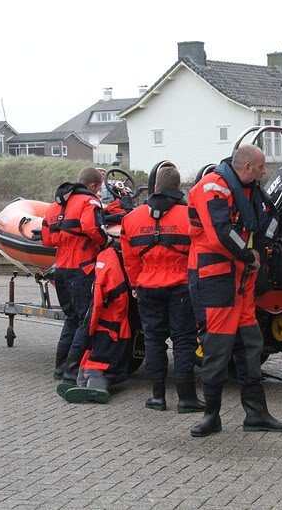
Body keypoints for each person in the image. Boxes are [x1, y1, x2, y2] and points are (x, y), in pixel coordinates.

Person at [186, 144, 282, 437]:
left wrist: (257, 254)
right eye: (261, 167)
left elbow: (268, 221)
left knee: (250, 347)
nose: (264, 171)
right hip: (214, 277)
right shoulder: (212, 187)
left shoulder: (250, 190)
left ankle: (256, 415)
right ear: (246, 168)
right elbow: (221, 233)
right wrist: (249, 256)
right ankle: (211, 416)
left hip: (241, 278)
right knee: (217, 349)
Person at [120, 165, 203, 414]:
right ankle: (186, 399)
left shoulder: (131, 218)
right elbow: (200, 251)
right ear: (178, 187)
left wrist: (135, 284)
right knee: (184, 340)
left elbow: (130, 259)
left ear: (155, 187)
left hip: (147, 286)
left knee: (153, 340)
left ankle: (158, 397)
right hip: (181, 287)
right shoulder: (190, 215)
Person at [41, 167, 108, 388]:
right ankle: (72, 371)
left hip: (61, 269)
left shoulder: (54, 206)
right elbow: (92, 227)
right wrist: (103, 241)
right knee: (83, 320)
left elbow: (47, 240)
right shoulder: (89, 202)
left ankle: (60, 367)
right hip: (83, 269)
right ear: (94, 186)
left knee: (70, 318)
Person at [61, 240, 133, 404]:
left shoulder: (104, 259)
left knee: (97, 359)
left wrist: (89, 329)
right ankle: (85, 384)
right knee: (96, 358)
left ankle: (87, 385)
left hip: (109, 321)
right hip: (113, 321)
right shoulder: (112, 259)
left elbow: (98, 301)